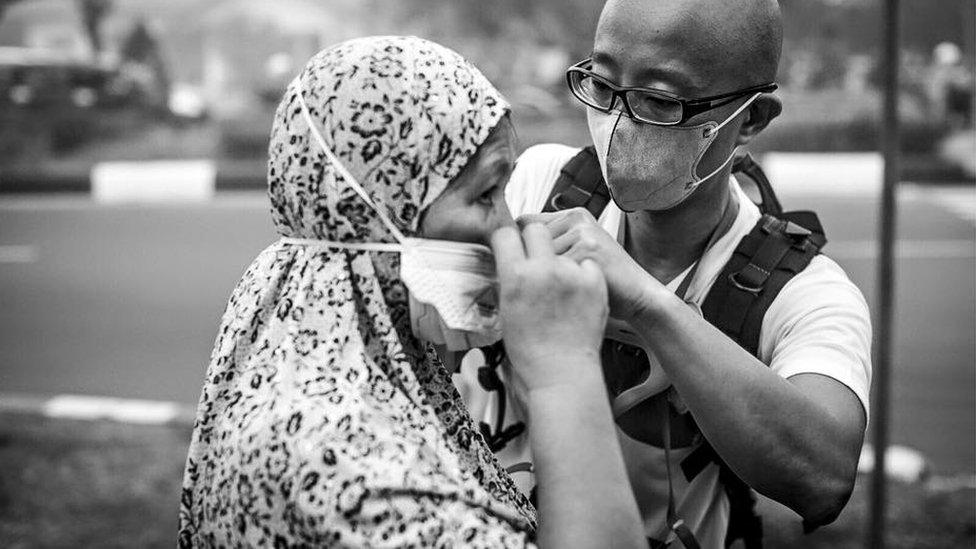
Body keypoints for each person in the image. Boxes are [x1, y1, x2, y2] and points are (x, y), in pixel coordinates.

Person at [179, 36, 645, 548]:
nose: (508, 227)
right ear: (380, 213)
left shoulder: (293, 292)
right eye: (486, 193)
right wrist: (564, 368)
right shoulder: (352, 475)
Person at [459, 1, 872, 547]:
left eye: (659, 100)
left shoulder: (802, 294)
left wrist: (647, 303)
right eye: (602, 86)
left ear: (749, 118)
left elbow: (823, 480)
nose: (618, 123)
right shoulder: (542, 182)